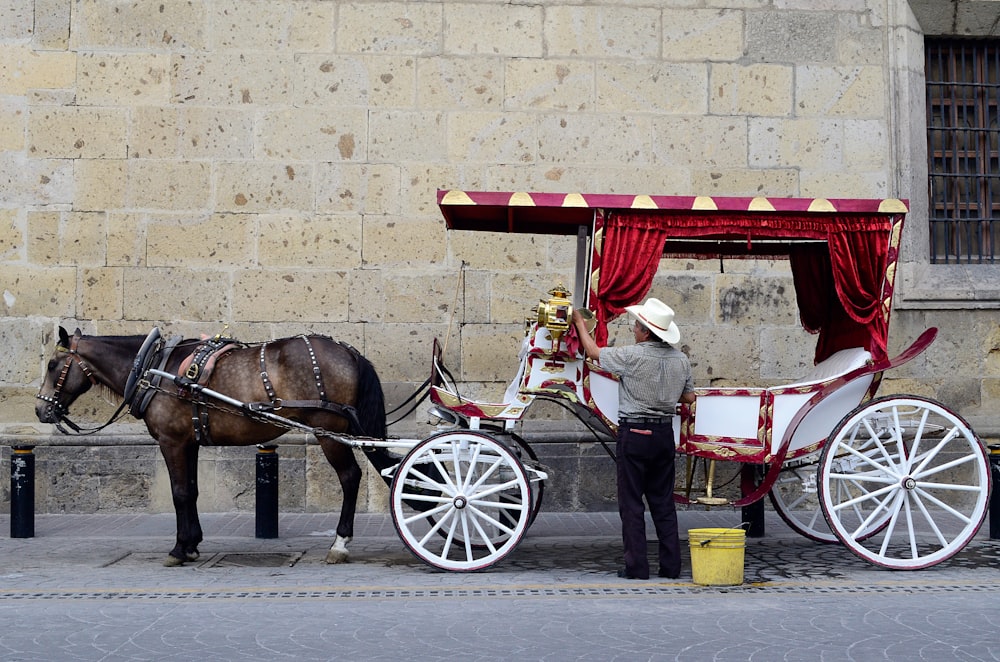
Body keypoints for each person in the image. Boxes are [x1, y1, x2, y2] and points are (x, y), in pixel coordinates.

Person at [572, 298, 696, 580]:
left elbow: (592, 352)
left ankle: (637, 567)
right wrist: (664, 393)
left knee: (631, 504)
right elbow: (690, 397)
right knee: (663, 503)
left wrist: (580, 323)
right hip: (663, 434)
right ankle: (671, 566)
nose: (633, 331)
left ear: (646, 332)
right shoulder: (681, 360)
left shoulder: (632, 355)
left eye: (636, 327)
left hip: (635, 434)